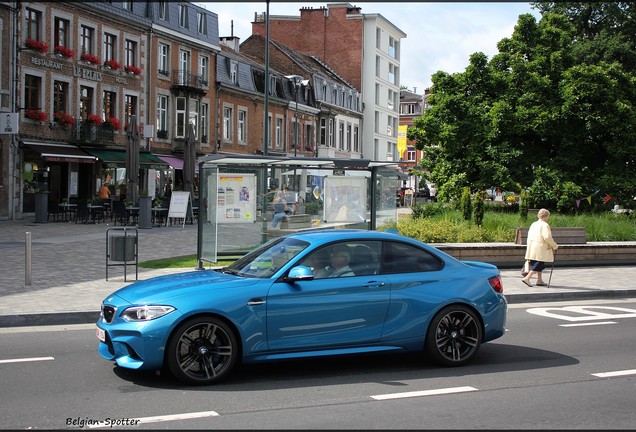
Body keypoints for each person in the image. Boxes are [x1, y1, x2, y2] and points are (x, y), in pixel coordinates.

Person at [521, 208, 558, 287]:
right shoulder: (544, 225)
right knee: (538, 264)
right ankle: (527, 278)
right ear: (546, 216)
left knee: (538, 263)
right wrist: (554, 245)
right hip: (541, 248)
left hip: (532, 247)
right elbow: (547, 237)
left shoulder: (534, 224)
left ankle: (539, 280)